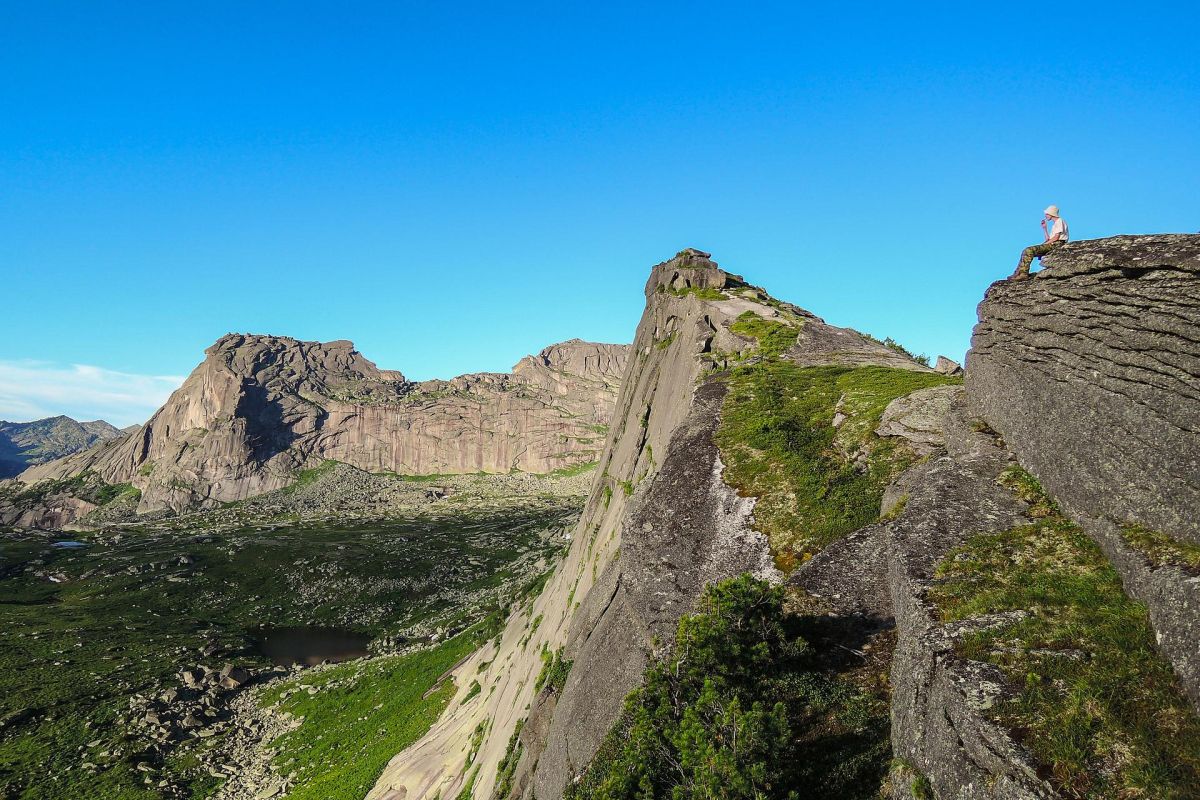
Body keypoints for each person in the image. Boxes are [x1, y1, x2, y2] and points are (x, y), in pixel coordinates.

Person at [1011, 205, 1069, 280]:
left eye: (1047, 214)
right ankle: (1017, 273)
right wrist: (1044, 228)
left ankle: (1023, 274)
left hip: (1057, 244)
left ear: (1052, 214)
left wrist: (1045, 244)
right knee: (1025, 251)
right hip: (1053, 243)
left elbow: (1056, 238)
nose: (1046, 215)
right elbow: (1049, 239)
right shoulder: (1055, 223)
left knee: (1029, 250)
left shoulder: (1059, 221)